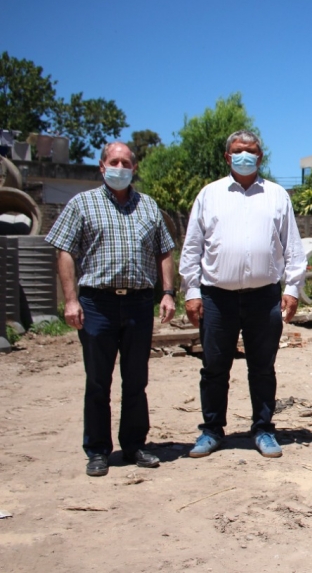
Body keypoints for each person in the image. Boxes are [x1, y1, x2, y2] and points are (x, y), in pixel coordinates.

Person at [46, 142, 177, 477]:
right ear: (102, 167)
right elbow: (64, 251)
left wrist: (167, 293)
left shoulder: (148, 206)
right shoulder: (82, 204)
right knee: (98, 381)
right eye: (114, 161)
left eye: (126, 162)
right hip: (97, 304)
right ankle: (98, 450)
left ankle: (134, 446)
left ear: (134, 168)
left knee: (135, 380)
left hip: (137, 302)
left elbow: (164, 251)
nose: (120, 166)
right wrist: (70, 299)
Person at [180, 129, 306, 459]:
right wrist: (191, 290)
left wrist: (292, 288)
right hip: (216, 297)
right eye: (238, 150)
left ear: (260, 157)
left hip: (264, 297)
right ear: (227, 156)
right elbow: (192, 246)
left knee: (262, 367)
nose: (245, 155)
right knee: (214, 367)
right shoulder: (209, 195)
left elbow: (292, 246)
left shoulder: (278, 195)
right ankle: (211, 431)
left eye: (251, 150)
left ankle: (263, 429)